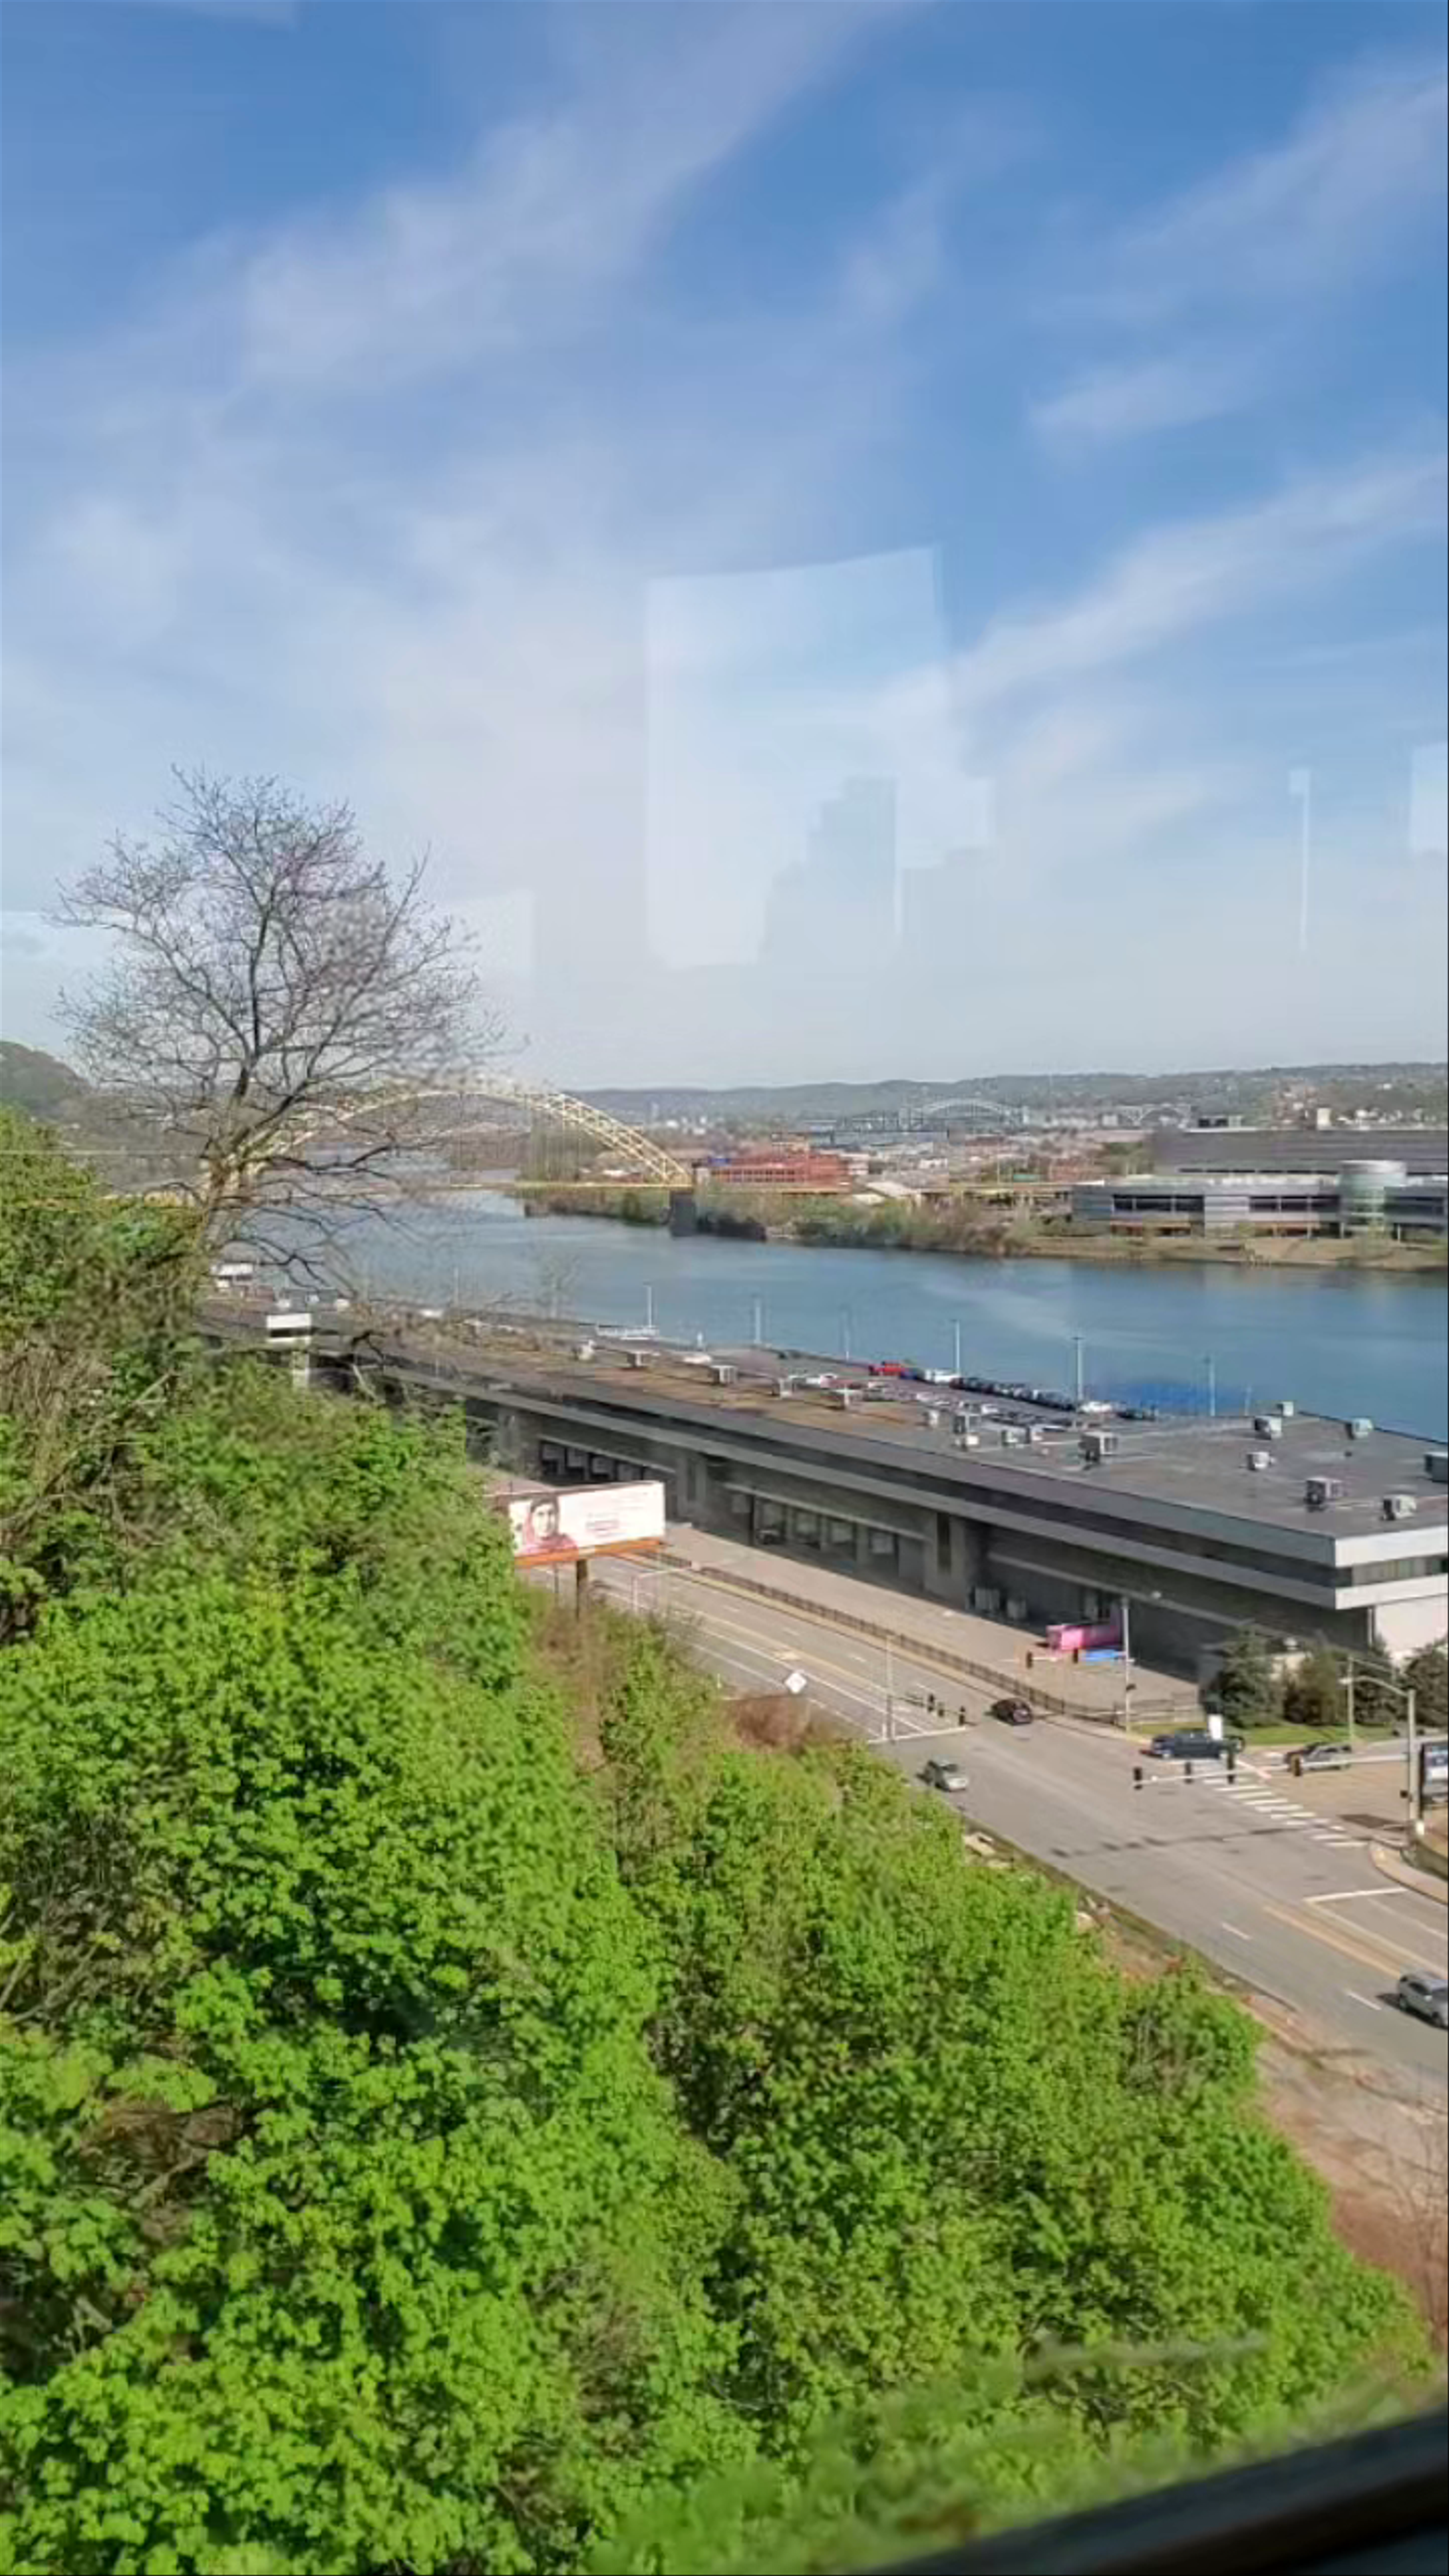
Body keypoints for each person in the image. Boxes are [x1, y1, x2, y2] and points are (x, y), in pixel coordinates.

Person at [520, 1495, 578, 1559]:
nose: (547, 1522)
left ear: (557, 1517)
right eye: (540, 1515)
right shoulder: (526, 1553)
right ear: (532, 1519)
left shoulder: (568, 1545)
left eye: (551, 1514)